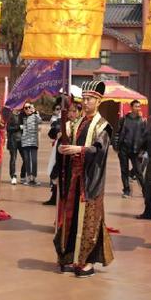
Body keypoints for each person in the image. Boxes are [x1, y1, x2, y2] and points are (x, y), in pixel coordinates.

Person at [53, 82, 113, 276]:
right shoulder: (78, 123)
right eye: (84, 99)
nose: (85, 102)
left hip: (90, 179)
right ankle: (71, 256)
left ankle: (87, 261)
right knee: (72, 219)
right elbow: (65, 139)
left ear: (98, 101)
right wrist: (63, 147)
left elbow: (99, 150)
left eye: (89, 99)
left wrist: (79, 149)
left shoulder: (103, 126)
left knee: (90, 221)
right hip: (74, 179)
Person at [116, 101, 147, 198]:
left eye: (139, 106)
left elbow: (144, 136)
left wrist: (143, 150)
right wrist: (117, 147)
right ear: (131, 107)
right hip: (124, 148)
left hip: (136, 150)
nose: (138, 108)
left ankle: (145, 191)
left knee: (138, 171)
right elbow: (118, 133)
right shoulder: (124, 119)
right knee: (124, 171)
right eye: (136, 106)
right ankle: (126, 190)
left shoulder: (142, 121)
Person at [18, 101, 41, 186]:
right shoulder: (22, 117)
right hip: (25, 142)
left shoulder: (35, 116)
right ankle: (28, 178)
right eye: (26, 108)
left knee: (34, 161)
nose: (27, 109)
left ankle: (34, 178)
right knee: (27, 161)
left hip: (34, 142)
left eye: (29, 107)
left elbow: (40, 121)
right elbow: (19, 126)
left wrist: (35, 112)